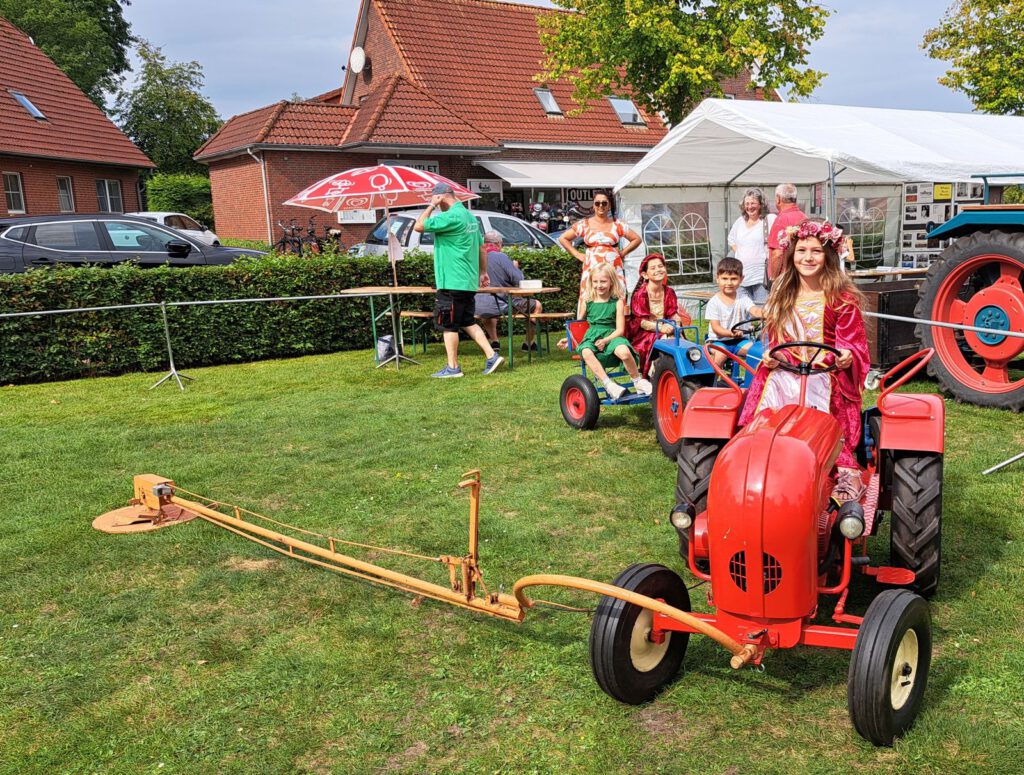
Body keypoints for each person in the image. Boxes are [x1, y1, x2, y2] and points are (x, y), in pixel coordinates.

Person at [738, 219, 870, 502]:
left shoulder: (841, 298)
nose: (808, 258)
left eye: (815, 251)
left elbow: (853, 343)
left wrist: (847, 356)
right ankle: (753, 464)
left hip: (826, 375)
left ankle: (846, 471)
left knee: (820, 406)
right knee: (761, 418)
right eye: (801, 251)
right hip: (784, 372)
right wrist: (771, 356)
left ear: (829, 256)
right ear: (791, 253)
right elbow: (775, 341)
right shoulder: (781, 294)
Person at [414, 183, 504, 378]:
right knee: (467, 321)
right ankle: (491, 355)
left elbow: (419, 226)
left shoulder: (450, 216)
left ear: (441, 198)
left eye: (437, 201)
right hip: (468, 281)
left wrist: (430, 206)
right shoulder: (470, 217)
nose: (438, 207)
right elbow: (482, 248)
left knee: (448, 325)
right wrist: (483, 272)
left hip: (451, 281)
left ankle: (453, 367)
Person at [559, 263, 651, 401]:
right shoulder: (587, 301)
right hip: (592, 336)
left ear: (611, 282)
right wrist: (569, 338)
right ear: (591, 282)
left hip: (612, 335)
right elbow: (578, 325)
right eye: (595, 281)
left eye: (603, 281)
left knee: (624, 352)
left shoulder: (617, 302)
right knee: (585, 351)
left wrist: (606, 340)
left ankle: (638, 381)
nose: (599, 285)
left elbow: (620, 330)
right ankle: (609, 385)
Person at [557, 190, 641, 318]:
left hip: (614, 267)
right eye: (597, 203)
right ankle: (584, 327)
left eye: (604, 203)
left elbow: (636, 239)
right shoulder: (584, 224)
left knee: (618, 294)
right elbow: (563, 238)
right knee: (588, 295)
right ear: (593, 205)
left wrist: (622, 253)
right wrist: (577, 254)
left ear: (609, 205)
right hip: (591, 267)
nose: (600, 206)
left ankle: (619, 328)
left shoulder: (617, 224)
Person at [474, 231, 543, 352]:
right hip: (501, 304)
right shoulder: (501, 257)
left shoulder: (474, 257)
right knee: (536, 305)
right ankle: (529, 343)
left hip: (477, 306)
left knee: (489, 306)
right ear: (498, 244)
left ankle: (494, 341)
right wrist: (515, 266)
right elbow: (519, 279)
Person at [627, 253, 691, 376]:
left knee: (682, 342)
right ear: (645, 274)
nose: (658, 270)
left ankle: (682, 372)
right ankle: (655, 374)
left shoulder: (669, 292)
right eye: (653, 268)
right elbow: (642, 322)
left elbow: (673, 313)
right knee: (667, 340)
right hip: (646, 332)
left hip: (668, 327)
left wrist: (676, 325)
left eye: (660, 266)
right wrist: (661, 328)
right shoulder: (640, 294)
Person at [704, 257, 763, 366]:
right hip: (718, 341)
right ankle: (711, 380)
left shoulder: (743, 298)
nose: (729, 283)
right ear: (717, 278)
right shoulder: (714, 302)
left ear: (741, 279)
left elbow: (754, 309)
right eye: (725, 278)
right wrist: (731, 333)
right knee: (721, 355)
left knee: (757, 353)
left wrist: (764, 313)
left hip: (740, 341)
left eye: (734, 278)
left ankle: (754, 381)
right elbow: (716, 328)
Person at [727, 187, 776, 304]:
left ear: (761, 204)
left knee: (760, 313)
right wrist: (741, 253)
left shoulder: (769, 219)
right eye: (747, 203)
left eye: (753, 203)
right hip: (741, 277)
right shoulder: (740, 221)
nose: (749, 207)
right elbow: (731, 239)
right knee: (743, 315)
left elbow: (778, 240)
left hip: (761, 277)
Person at [766, 183, 807, 284]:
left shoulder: (781, 220)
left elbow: (777, 254)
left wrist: (775, 280)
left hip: (785, 279)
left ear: (778, 199)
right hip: (801, 275)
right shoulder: (804, 217)